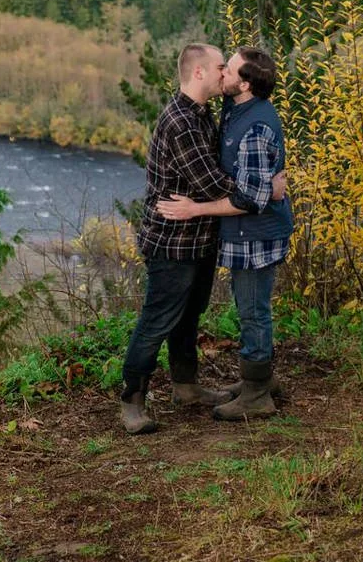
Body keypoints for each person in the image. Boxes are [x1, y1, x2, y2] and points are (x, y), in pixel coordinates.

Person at [119, 43, 254, 435]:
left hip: (199, 240)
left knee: (188, 317)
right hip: (172, 244)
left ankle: (186, 387)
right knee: (157, 319)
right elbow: (212, 184)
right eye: (219, 67)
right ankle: (132, 400)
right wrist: (260, 190)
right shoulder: (180, 121)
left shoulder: (201, 114)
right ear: (198, 73)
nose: (224, 73)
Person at [157, 47, 293, 421]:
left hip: (256, 235)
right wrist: (269, 186)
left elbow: (250, 198)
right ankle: (261, 379)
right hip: (244, 233)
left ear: (244, 84)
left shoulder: (255, 126)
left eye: (228, 70)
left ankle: (257, 394)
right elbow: (255, 183)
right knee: (250, 308)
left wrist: (194, 209)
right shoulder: (235, 107)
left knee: (252, 312)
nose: (222, 74)